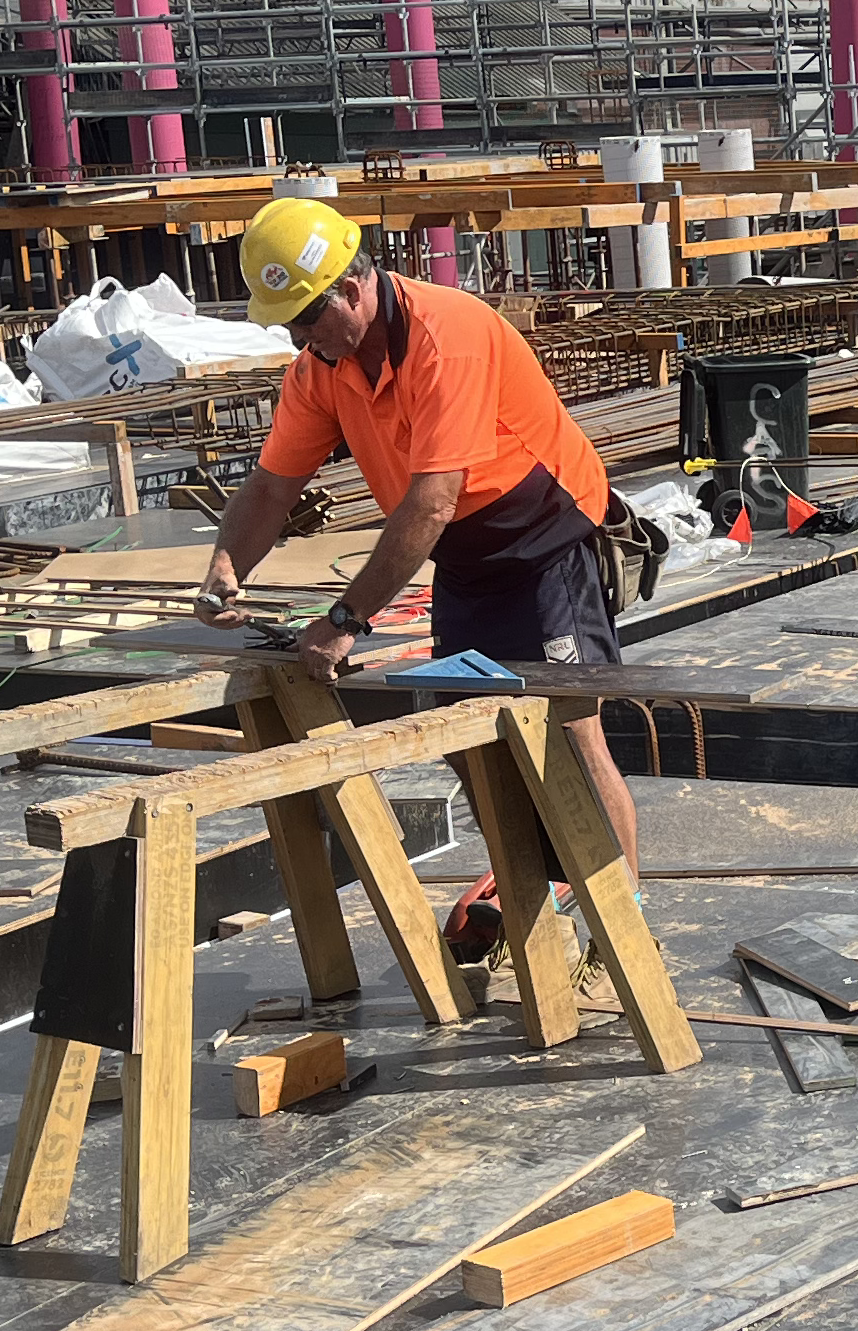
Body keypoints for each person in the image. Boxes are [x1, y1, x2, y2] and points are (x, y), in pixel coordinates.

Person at [196, 192, 641, 869]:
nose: (298, 339)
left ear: (352, 287)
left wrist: (347, 617)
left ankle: (621, 930)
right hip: (465, 555)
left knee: (570, 734)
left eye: (307, 317)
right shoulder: (322, 370)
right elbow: (270, 486)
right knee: (466, 733)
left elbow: (432, 500)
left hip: (546, 539)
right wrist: (227, 565)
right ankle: (534, 900)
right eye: (286, 326)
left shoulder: (446, 335)